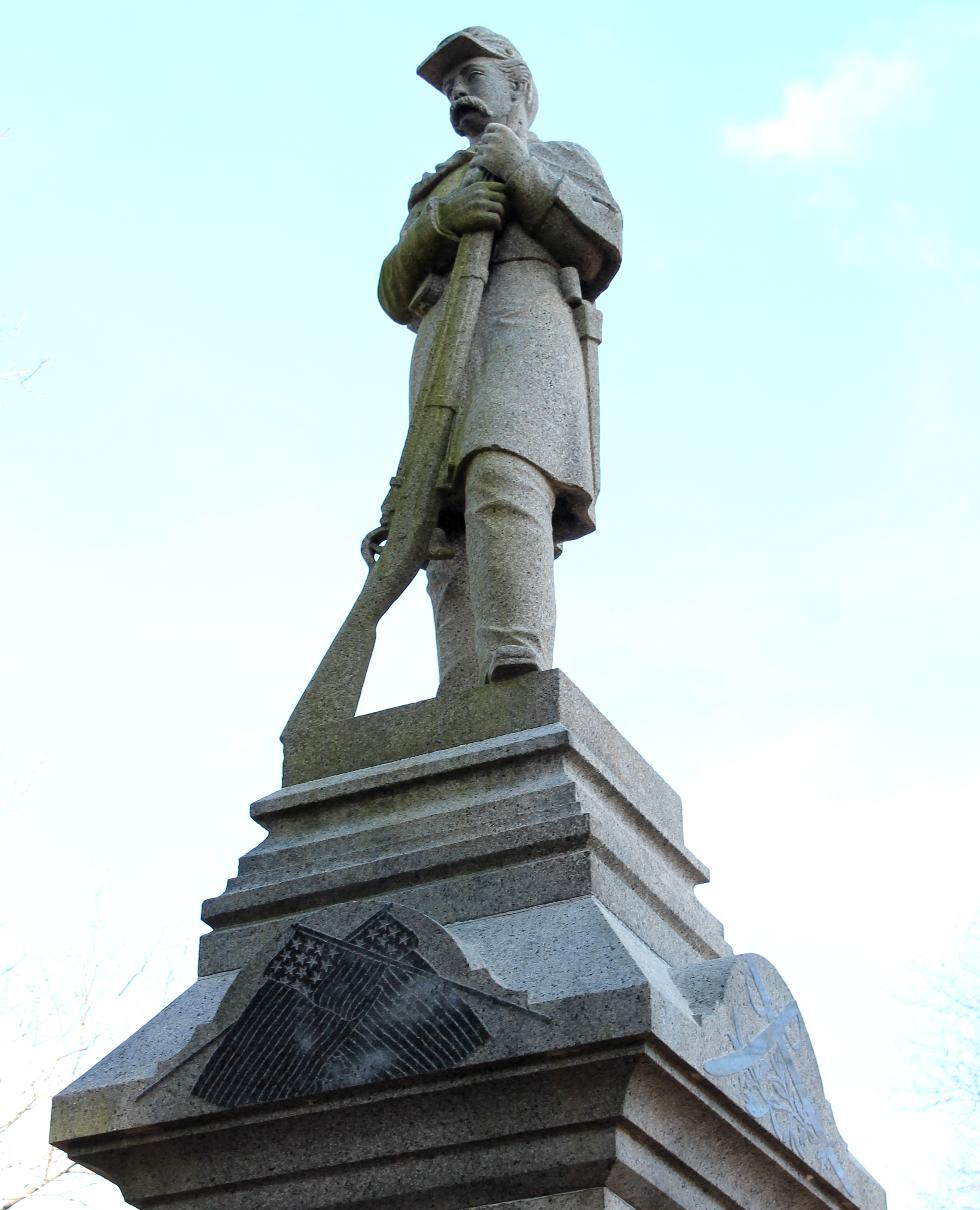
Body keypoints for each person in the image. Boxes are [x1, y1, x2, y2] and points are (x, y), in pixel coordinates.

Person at [378, 27, 622, 692]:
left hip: (525, 323)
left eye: (471, 74)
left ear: (519, 86)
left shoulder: (562, 157)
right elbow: (394, 293)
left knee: (504, 468)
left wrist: (521, 170)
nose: (457, 89)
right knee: (440, 521)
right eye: (448, 83)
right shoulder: (435, 190)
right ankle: (461, 690)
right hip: (444, 341)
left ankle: (516, 659)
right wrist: (439, 223)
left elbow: (599, 248)